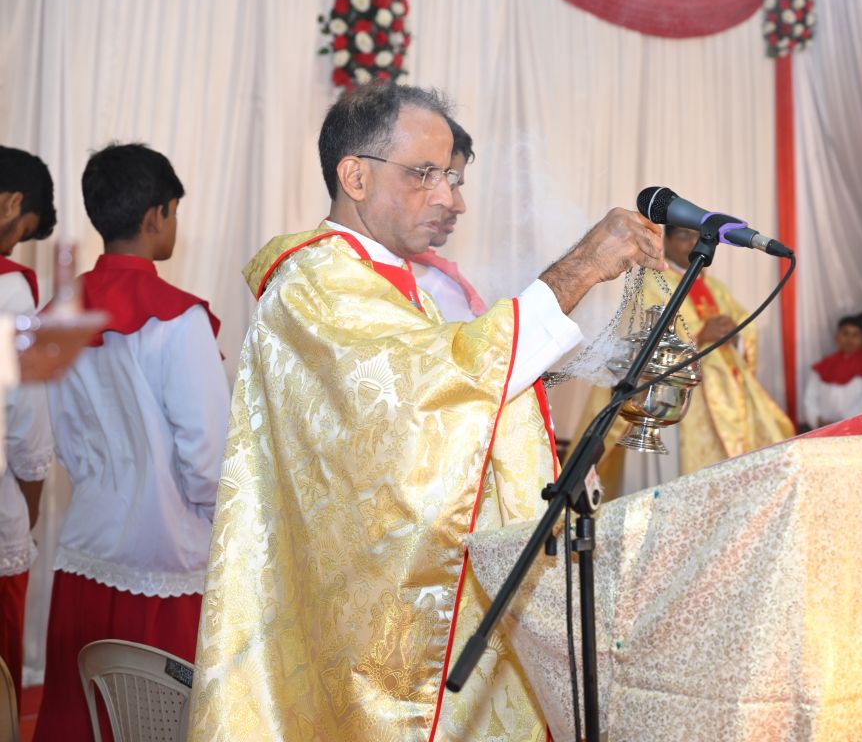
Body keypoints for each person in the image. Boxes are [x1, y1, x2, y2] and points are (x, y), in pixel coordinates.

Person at [189, 83, 664, 741]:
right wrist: (584, 265)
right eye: (425, 174)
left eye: (454, 178)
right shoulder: (317, 285)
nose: (452, 199)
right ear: (355, 176)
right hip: (363, 625)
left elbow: (443, 389)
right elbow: (443, 387)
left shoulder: (383, 284)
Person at [34, 144, 229, 741]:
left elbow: (59, 437)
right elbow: (208, 460)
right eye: (174, 211)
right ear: (155, 216)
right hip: (166, 559)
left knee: (81, 721)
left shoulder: (55, 315)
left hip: (86, 549)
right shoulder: (178, 319)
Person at [570, 224, 794, 487]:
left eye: (698, 237)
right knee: (671, 479)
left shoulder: (715, 288)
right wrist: (699, 335)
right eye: (684, 236)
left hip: (723, 395)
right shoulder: (653, 282)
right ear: (667, 241)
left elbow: (746, 326)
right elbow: (641, 337)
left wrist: (736, 335)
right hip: (670, 397)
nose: (692, 243)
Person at [0, 147, 56, 707]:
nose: (15, 247)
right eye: (23, 231)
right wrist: (31, 505)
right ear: (12, 203)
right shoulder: (12, 289)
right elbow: (25, 425)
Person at [408, 118, 486, 321]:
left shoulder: (432, 274)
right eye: (436, 180)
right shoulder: (348, 277)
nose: (458, 206)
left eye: (452, 185)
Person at [802, 314, 862, 429]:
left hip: (855, 430)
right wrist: (817, 420)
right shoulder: (822, 367)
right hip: (821, 429)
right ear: (837, 336)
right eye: (845, 333)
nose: (849, 339)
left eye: (855, 335)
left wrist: (842, 424)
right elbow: (810, 398)